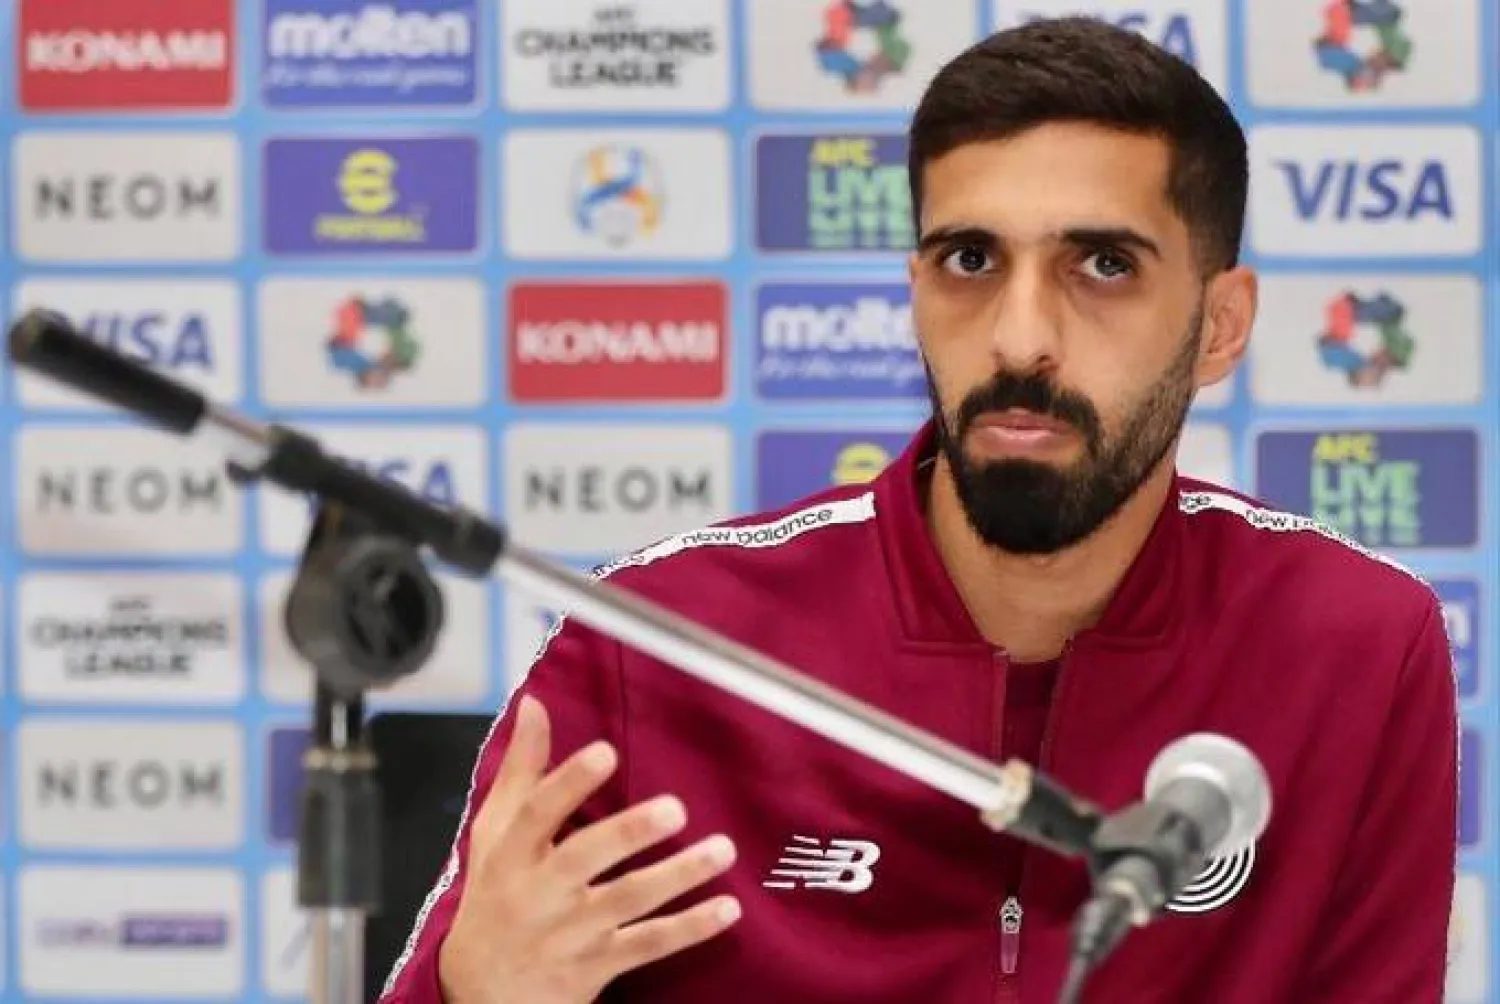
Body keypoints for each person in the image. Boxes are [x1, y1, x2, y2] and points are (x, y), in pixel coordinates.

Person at [380, 18, 1457, 1003]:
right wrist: (475, 997)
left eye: (1103, 265)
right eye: (970, 261)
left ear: (1220, 325)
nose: (1020, 339)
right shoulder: (659, 642)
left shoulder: (1355, 646)